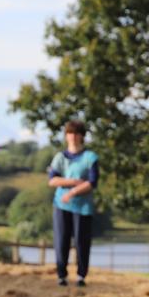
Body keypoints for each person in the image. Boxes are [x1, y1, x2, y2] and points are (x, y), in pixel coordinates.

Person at [47, 120, 99, 286]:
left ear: (82, 136)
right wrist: (74, 182)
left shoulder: (90, 157)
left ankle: (81, 275)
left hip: (83, 206)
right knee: (61, 239)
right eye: (70, 133)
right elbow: (52, 180)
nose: (73, 137)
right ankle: (61, 275)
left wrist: (73, 192)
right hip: (61, 205)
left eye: (76, 133)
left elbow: (92, 182)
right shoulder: (60, 158)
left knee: (81, 241)